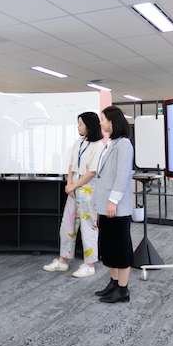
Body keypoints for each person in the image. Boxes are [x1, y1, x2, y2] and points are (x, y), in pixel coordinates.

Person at [43, 112, 104, 277]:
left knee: (88, 227)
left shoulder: (98, 146)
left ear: (89, 126)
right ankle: (63, 260)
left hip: (88, 190)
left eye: (80, 124)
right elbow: (71, 164)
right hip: (74, 189)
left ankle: (89, 265)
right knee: (67, 225)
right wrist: (70, 184)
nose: (78, 127)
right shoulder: (79, 142)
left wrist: (73, 186)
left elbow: (92, 172)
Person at [92, 106, 134, 303]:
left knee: (120, 247)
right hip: (105, 204)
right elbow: (102, 177)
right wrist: (97, 204)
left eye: (103, 119)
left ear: (112, 121)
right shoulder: (111, 143)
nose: (100, 122)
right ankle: (114, 283)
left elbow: (122, 175)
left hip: (116, 206)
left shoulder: (124, 144)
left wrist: (112, 201)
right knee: (108, 247)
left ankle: (123, 289)